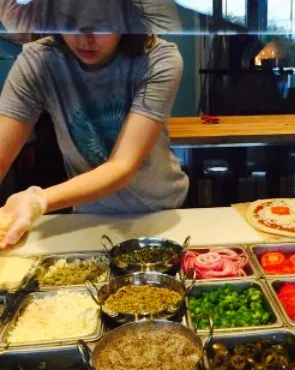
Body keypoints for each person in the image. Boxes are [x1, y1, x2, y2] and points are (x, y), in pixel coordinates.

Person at [0, 31, 189, 249]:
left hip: (161, 212)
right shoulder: (38, 61)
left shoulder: (157, 59)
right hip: (87, 215)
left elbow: (122, 165)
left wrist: (37, 200)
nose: (85, 39)